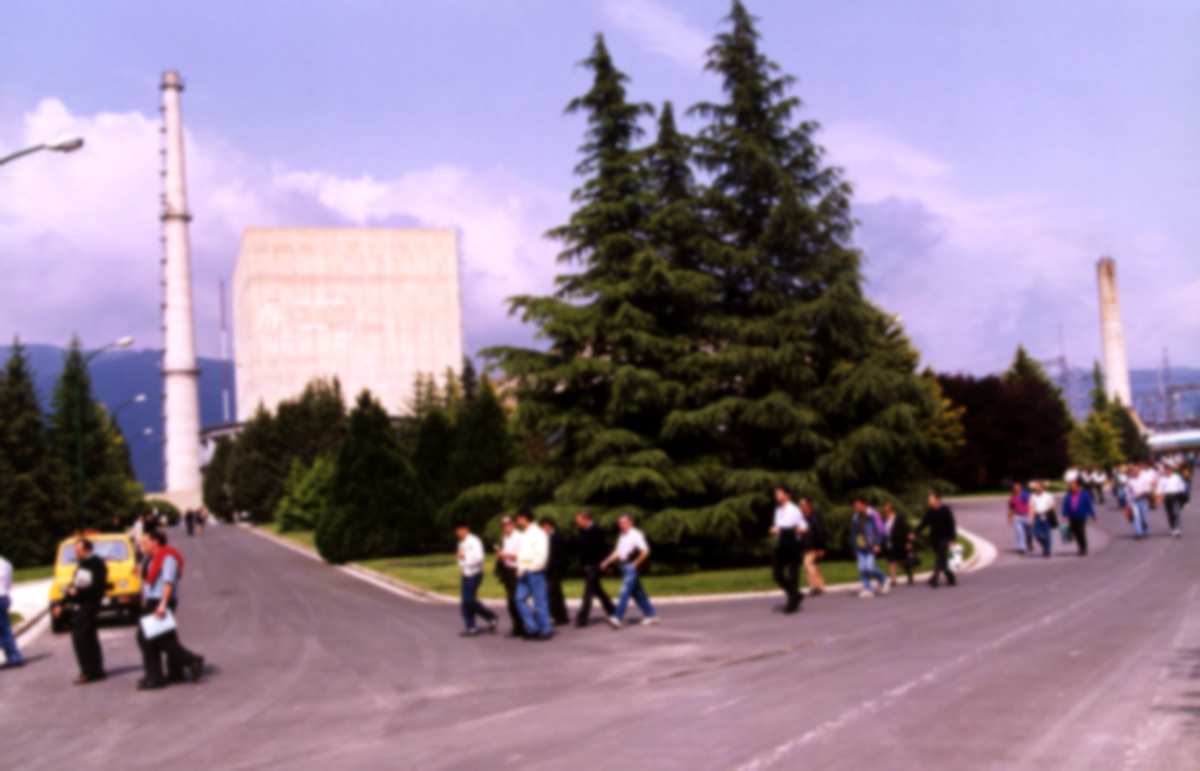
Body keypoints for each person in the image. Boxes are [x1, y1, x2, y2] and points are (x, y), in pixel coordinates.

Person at [136, 531, 204, 690]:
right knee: (164, 639)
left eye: (145, 542)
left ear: (155, 542)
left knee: (147, 638)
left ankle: (159, 675)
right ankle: (175, 671)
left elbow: (169, 583)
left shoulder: (168, 558)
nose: (142, 546)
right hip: (153, 601)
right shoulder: (150, 558)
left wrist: (162, 605)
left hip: (160, 602)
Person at [57, 539, 107, 684]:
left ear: (88, 550)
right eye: (75, 551)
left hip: (89, 604)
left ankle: (88, 671)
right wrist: (62, 604)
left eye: (79, 551)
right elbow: (75, 585)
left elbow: (97, 589)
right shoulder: (83, 563)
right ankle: (95, 670)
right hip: (81, 604)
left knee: (81, 637)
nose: (77, 554)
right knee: (88, 637)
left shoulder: (96, 564)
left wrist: (78, 593)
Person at [600, 514, 659, 628]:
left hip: (631, 567)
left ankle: (617, 618)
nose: (621, 525)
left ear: (631, 522)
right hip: (624, 566)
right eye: (620, 523)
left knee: (625, 591)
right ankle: (652, 615)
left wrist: (635, 563)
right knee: (638, 593)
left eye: (624, 522)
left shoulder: (636, 534)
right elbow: (618, 551)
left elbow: (646, 551)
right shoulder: (622, 534)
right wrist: (607, 561)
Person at [513, 510, 552, 641]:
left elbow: (542, 554)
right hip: (524, 571)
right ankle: (532, 627)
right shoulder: (526, 533)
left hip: (535, 571)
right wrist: (521, 568)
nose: (517, 522)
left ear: (524, 518)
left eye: (518, 519)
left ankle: (545, 630)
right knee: (519, 598)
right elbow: (523, 553)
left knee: (539, 601)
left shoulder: (538, 533)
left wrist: (533, 567)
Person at [573, 510, 615, 627]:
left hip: (594, 566)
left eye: (579, 522)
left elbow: (603, 548)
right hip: (586, 566)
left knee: (588, 592)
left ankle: (582, 618)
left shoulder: (596, 530)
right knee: (598, 590)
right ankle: (613, 611)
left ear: (586, 519)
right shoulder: (583, 531)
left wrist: (609, 565)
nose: (577, 524)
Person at [455, 524, 497, 637]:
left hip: (474, 573)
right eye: (457, 530)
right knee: (465, 602)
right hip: (466, 574)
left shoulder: (474, 541)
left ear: (467, 529)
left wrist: (464, 557)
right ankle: (471, 627)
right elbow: (460, 557)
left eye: (461, 529)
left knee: (469, 601)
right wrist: (461, 564)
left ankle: (490, 616)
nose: (458, 532)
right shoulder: (460, 543)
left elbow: (479, 558)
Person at [770, 487, 807, 614]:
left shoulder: (794, 510)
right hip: (781, 544)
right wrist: (775, 530)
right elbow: (778, 526)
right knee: (777, 574)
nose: (777, 496)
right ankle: (796, 594)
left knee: (793, 574)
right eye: (776, 493)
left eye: (779, 493)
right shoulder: (777, 510)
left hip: (793, 544)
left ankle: (792, 603)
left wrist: (784, 531)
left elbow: (803, 528)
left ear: (787, 495)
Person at [913, 491, 958, 587]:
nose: (929, 502)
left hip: (944, 538)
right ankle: (951, 578)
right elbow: (923, 523)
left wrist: (952, 539)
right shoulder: (930, 512)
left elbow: (951, 524)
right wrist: (914, 533)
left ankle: (935, 578)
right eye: (928, 500)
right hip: (934, 538)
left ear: (937, 500)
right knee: (942, 559)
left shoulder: (945, 510)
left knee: (939, 557)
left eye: (931, 500)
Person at [492, 516, 525, 638]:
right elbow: (504, 554)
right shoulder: (505, 538)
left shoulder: (519, 537)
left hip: (516, 570)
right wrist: (500, 556)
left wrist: (505, 555)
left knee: (513, 601)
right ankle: (518, 626)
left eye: (508, 524)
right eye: (504, 525)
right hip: (507, 571)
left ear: (513, 524)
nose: (506, 526)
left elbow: (521, 554)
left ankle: (521, 626)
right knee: (511, 601)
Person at [850, 498, 888, 599]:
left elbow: (880, 530)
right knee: (862, 568)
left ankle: (884, 579)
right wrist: (853, 545)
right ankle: (868, 589)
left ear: (864, 505)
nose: (856, 507)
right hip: (860, 544)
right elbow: (854, 532)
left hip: (871, 544)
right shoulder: (856, 517)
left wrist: (878, 543)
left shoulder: (873, 515)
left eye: (858, 505)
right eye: (855, 505)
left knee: (869, 567)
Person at [541, 518, 570, 626]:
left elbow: (563, 555)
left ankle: (553, 616)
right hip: (549, 569)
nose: (543, 529)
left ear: (549, 526)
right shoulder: (545, 538)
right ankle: (563, 617)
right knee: (557, 593)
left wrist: (557, 567)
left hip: (556, 569)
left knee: (551, 592)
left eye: (544, 527)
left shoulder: (558, 537)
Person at [0, 555, 25, 670]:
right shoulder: (6, 564)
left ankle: (14, 657)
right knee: (5, 630)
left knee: (4, 631)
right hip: (4, 596)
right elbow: (9, 583)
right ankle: (13, 656)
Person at [881, 502, 914, 587]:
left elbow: (905, 530)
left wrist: (908, 542)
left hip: (899, 543)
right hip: (889, 544)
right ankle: (893, 580)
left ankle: (909, 573)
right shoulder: (886, 520)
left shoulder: (899, 518)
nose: (886, 513)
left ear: (891, 510)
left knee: (902, 561)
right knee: (891, 561)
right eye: (885, 512)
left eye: (887, 511)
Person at [1061, 478, 1095, 557]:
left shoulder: (1084, 494)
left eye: (1073, 486)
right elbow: (1065, 505)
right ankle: (1080, 547)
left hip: (1082, 516)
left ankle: (1084, 548)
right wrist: (1064, 515)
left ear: (1078, 486)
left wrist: (1092, 514)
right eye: (1070, 486)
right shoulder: (1068, 495)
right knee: (1075, 532)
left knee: (1081, 531)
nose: (1072, 488)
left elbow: (1089, 504)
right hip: (1072, 516)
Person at [800, 499, 826, 596]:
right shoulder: (802, 518)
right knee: (814, 566)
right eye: (800, 505)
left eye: (803, 504)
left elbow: (820, 532)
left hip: (814, 545)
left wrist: (821, 547)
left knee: (807, 564)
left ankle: (815, 587)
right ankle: (819, 587)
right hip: (806, 546)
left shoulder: (814, 517)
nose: (801, 507)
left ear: (809, 505)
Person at [1028, 481, 1056, 558]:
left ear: (1042, 488)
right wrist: (1030, 518)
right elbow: (1032, 507)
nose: (1037, 489)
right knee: (1037, 535)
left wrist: (1050, 509)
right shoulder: (1033, 496)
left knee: (1047, 534)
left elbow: (1053, 506)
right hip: (1037, 516)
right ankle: (1045, 545)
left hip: (1046, 516)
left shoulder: (1048, 495)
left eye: (1038, 488)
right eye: (1036, 488)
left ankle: (1047, 551)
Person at [1158, 465, 1186, 538]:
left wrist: (1180, 492)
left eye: (1169, 470)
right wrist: (1159, 496)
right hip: (1167, 497)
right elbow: (1159, 488)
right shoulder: (1162, 478)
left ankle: (1177, 529)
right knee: (1170, 514)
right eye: (1166, 470)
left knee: (1175, 512)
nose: (1167, 471)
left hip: (1175, 496)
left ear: (1171, 470)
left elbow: (1182, 486)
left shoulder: (1176, 477)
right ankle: (1173, 528)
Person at [1007, 483, 1032, 555]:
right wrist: (1009, 518)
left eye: (1018, 487)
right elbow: (1010, 509)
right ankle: (1022, 547)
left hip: (1027, 516)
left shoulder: (1027, 495)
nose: (1016, 489)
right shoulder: (1012, 498)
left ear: (1021, 488)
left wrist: (1031, 516)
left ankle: (1029, 542)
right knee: (1019, 532)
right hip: (1017, 517)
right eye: (1015, 488)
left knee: (1029, 532)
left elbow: (1032, 505)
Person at [1130, 463, 1152, 539]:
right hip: (1135, 501)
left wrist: (1142, 491)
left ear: (1139, 471)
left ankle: (1145, 530)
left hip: (1143, 500)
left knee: (1144, 518)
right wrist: (1129, 502)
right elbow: (1128, 492)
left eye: (1137, 470)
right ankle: (1138, 532)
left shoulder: (1144, 479)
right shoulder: (1130, 481)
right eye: (1134, 470)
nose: (1135, 472)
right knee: (1136, 517)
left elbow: (1148, 489)